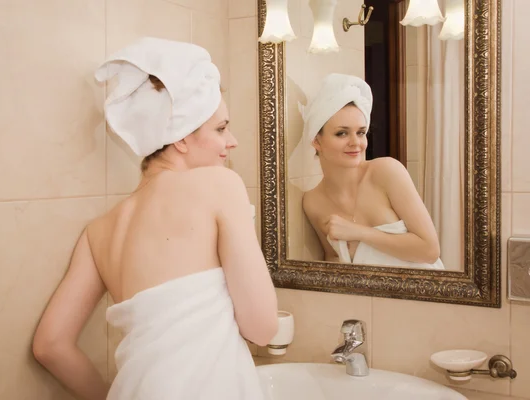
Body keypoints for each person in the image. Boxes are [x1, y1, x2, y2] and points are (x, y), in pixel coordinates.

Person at [32, 37, 278, 400]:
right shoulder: (220, 185)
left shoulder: (99, 230)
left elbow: (50, 345)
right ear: (180, 138)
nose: (233, 141)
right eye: (221, 128)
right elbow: (263, 328)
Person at [301, 73, 444, 269]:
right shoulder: (313, 202)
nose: (356, 143)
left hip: (423, 296)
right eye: (342, 133)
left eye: (361, 132)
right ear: (316, 141)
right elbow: (334, 260)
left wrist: (358, 233)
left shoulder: (386, 171)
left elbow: (430, 251)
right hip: (370, 297)